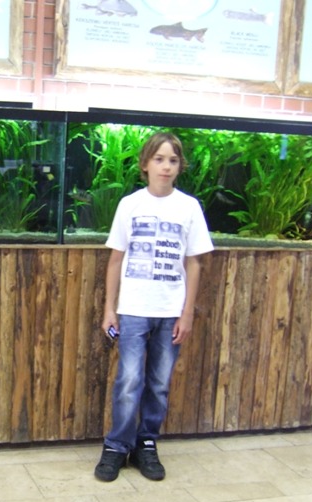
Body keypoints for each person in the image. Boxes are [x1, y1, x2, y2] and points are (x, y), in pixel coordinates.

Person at [94, 131, 214, 482]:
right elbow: (115, 260)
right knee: (129, 380)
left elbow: (194, 263)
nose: (166, 166)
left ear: (180, 166)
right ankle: (116, 446)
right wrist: (109, 309)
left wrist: (187, 313)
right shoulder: (130, 205)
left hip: (170, 310)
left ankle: (146, 443)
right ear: (145, 164)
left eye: (173, 160)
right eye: (159, 159)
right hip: (133, 308)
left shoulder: (189, 207)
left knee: (159, 382)